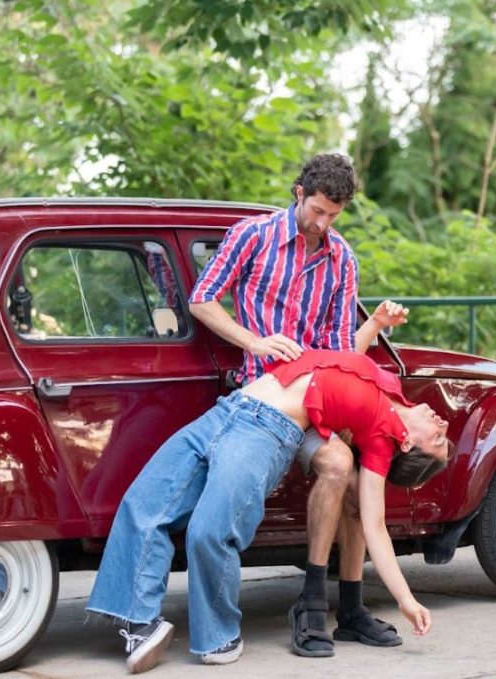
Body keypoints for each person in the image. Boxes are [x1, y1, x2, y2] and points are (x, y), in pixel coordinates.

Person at [85, 329, 450, 673]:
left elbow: (374, 526)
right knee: (144, 504)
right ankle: (140, 624)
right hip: (229, 409)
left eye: (437, 441)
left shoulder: (379, 447)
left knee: (209, 530)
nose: (443, 426)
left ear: (408, 445)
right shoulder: (391, 387)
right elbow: (346, 353)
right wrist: (377, 323)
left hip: (267, 431)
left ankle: (218, 640)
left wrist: (406, 600)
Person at [188, 153, 402, 656]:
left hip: (319, 398)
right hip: (263, 401)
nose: (323, 223)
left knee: (353, 470)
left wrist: (372, 328)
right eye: (318, 210)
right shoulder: (252, 236)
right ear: (298, 192)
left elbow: (340, 351)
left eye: (334, 214)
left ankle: (343, 609)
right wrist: (254, 342)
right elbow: (202, 299)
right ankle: (312, 607)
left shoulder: (342, 257)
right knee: (339, 466)